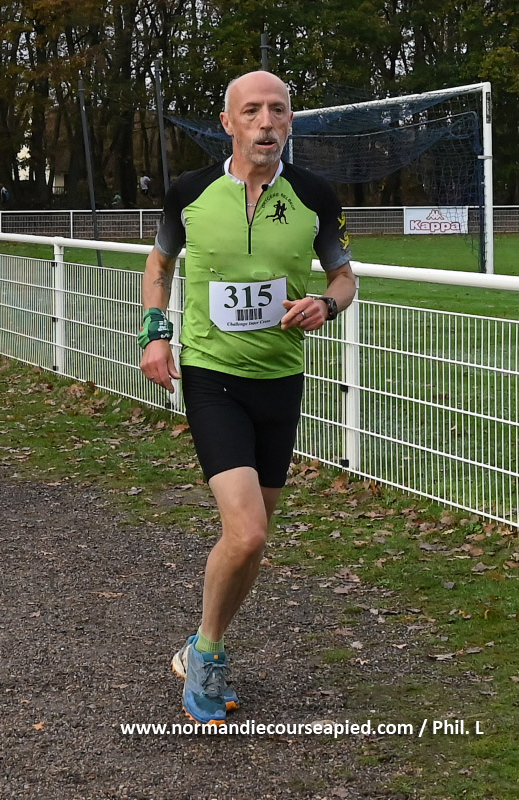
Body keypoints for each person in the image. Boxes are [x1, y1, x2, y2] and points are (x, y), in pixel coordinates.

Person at [138, 70, 356, 726]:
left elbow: (344, 277)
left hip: (280, 380)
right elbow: (159, 265)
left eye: (278, 110)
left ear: (290, 120)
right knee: (249, 529)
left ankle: (201, 642)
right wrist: (155, 334)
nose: (267, 122)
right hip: (213, 377)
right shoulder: (190, 192)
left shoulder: (314, 195)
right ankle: (208, 655)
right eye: (253, 111)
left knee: (252, 544)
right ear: (228, 123)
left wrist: (326, 304)